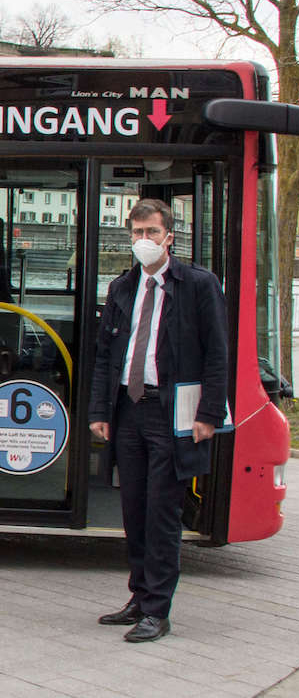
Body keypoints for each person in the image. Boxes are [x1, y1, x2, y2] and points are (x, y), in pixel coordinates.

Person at [89, 198, 228, 643]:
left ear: (170, 236)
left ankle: (157, 609)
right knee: (133, 509)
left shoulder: (198, 285)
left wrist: (208, 414)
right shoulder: (122, 287)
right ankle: (138, 596)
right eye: (136, 233)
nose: (143, 241)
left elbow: (218, 355)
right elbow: (106, 356)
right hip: (127, 410)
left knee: (162, 511)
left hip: (171, 413)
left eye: (151, 232)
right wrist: (99, 412)